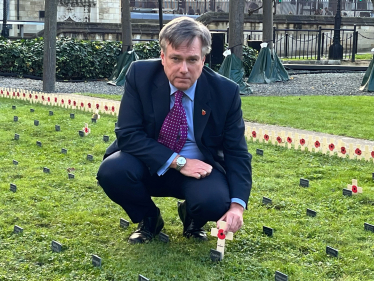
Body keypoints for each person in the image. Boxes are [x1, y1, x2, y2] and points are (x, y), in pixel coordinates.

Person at [97, 17, 252, 244]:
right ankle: (149, 219)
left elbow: (236, 152)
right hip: (149, 163)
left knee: (214, 201)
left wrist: (237, 206)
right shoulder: (140, 75)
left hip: (200, 169)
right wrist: (179, 162)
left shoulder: (225, 92)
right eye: (176, 59)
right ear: (162, 57)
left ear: (203, 60)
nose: (183, 69)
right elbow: (128, 134)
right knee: (112, 171)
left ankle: (192, 217)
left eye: (192, 60)